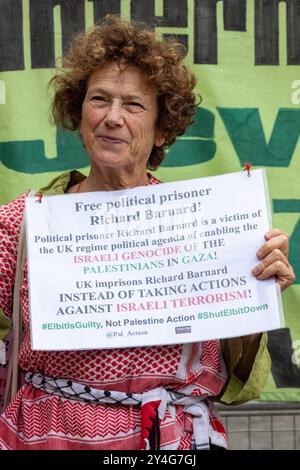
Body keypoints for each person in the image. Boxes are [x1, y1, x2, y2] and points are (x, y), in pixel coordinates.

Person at [0, 16, 295, 450]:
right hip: (48, 437)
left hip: (172, 444)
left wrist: (256, 298)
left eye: (134, 105)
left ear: (161, 129)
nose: (112, 118)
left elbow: (238, 373)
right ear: (78, 114)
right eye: (99, 99)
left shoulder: (205, 225)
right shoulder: (20, 225)